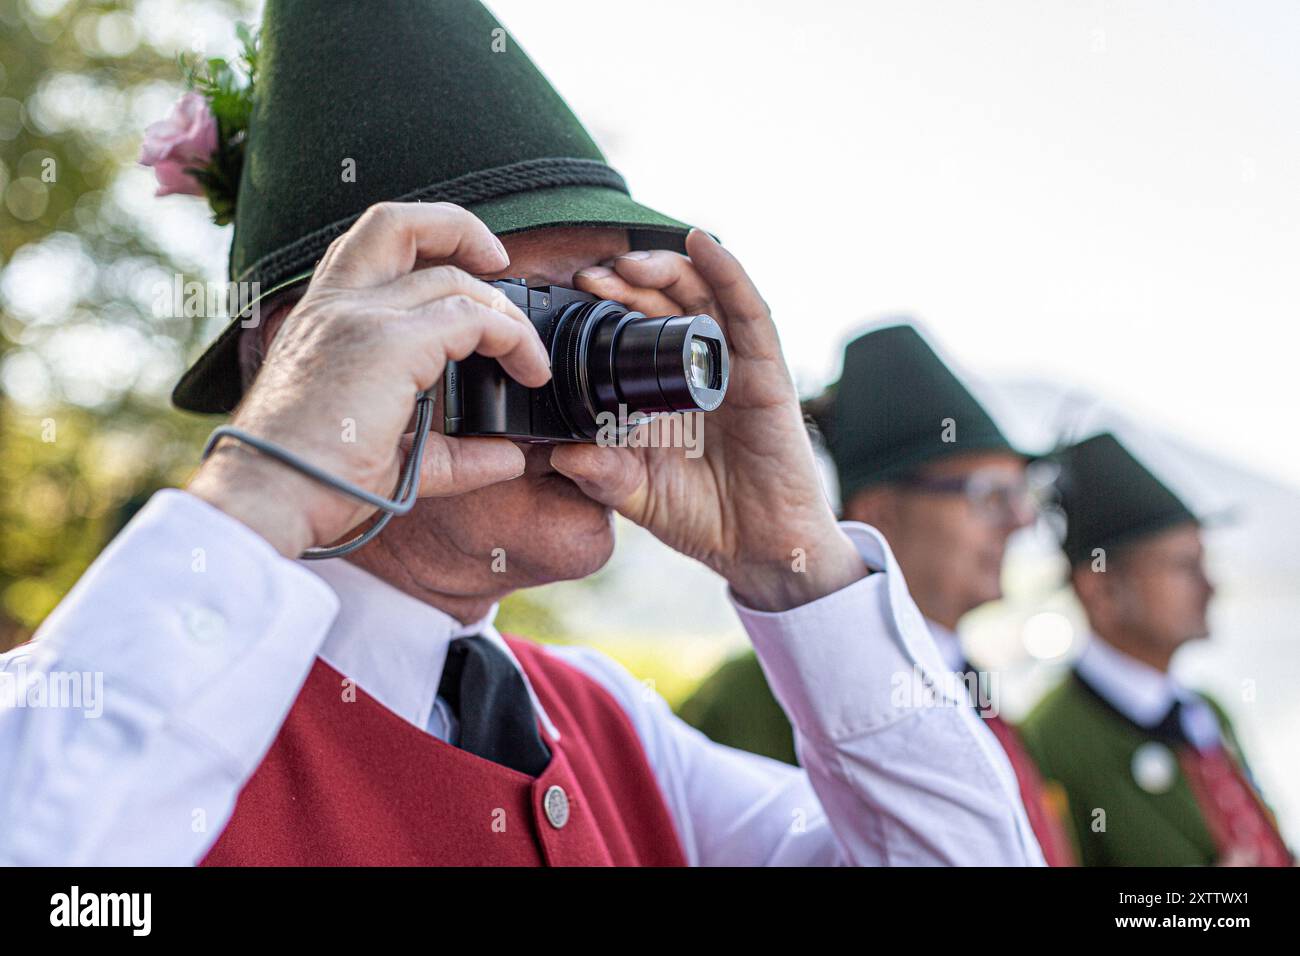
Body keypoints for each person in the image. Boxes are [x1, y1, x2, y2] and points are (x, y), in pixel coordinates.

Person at [0, 0, 1042, 866]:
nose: (590, 380)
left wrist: (797, 561)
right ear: (306, 358)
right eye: (527, 314)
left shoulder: (612, 728)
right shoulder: (76, 716)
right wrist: (269, 481)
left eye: (618, 312)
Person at [680, 323, 1076, 865]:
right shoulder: (755, 696)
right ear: (879, 513)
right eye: (990, 497)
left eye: (1021, 497)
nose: (1021, 521)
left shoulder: (978, 687)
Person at [1020, 432, 1291, 866]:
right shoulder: (1049, 741)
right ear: (1102, 589)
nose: (1210, 585)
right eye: (1184, 566)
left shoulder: (1205, 710)